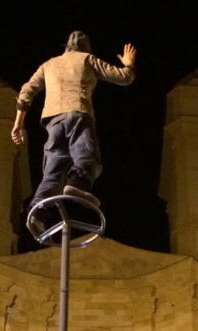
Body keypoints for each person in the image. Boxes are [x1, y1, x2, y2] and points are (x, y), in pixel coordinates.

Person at [11, 31, 136, 204]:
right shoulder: (87, 59)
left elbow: (26, 92)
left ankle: (38, 211)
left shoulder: (49, 64)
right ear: (86, 47)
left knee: (53, 171)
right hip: (78, 113)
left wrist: (18, 123)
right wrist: (128, 65)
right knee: (88, 158)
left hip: (53, 122)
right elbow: (124, 78)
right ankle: (78, 183)